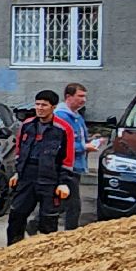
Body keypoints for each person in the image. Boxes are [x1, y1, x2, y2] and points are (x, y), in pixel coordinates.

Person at [7, 89, 77, 246]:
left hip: (50, 178)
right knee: (16, 215)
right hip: (27, 176)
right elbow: (19, 151)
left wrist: (63, 182)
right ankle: (12, 250)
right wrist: (18, 173)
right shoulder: (27, 125)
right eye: (37, 104)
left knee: (48, 221)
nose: (39, 108)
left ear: (53, 107)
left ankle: (46, 254)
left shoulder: (63, 129)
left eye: (44, 105)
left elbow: (67, 158)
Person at [52, 82, 100, 231]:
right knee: (73, 204)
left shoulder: (76, 115)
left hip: (76, 165)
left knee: (63, 200)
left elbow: (78, 137)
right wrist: (84, 147)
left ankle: (37, 223)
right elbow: (61, 144)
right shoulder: (61, 116)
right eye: (80, 96)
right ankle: (70, 233)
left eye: (85, 96)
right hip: (67, 166)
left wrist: (91, 140)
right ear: (68, 96)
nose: (83, 100)